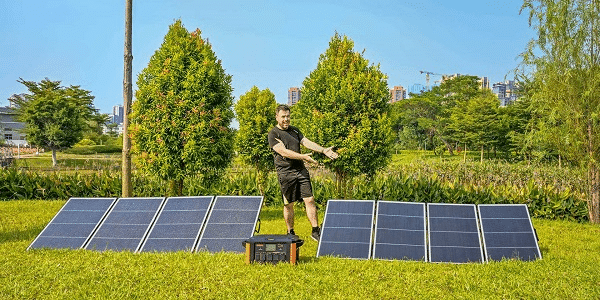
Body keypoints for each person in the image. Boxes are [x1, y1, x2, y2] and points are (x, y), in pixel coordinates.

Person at [267, 104, 339, 241]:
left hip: (300, 171)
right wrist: (304, 157)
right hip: (285, 173)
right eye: (283, 117)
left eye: (288, 116)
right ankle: (290, 232)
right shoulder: (273, 134)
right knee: (288, 204)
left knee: (310, 199)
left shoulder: (295, 130)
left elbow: (306, 142)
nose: (286, 119)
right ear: (277, 117)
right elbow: (283, 152)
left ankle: (315, 230)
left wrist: (323, 150)